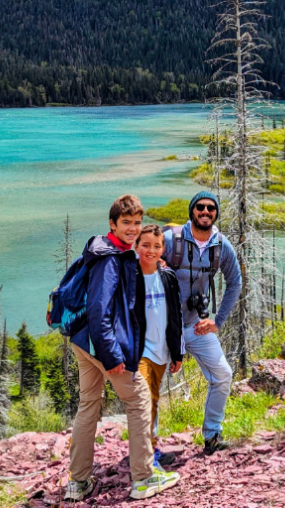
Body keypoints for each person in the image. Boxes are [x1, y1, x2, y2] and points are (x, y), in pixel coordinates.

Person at [64, 195, 181, 502]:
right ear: (112, 224)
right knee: (139, 399)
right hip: (101, 344)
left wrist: (153, 263)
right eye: (126, 223)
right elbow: (101, 309)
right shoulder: (110, 260)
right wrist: (112, 355)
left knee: (89, 404)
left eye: (137, 223)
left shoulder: (108, 250)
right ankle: (143, 478)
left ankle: (78, 482)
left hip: (82, 341)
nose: (133, 229)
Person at [163, 190, 242, 455]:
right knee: (149, 385)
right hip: (164, 329)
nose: (205, 212)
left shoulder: (221, 245)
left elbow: (235, 282)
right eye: (200, 207)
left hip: (197, 324)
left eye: (211, 208)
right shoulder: (169, 240)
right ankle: (147, 451)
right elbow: (140, 267)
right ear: (191, 210)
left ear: (216, 213)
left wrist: (217, 322)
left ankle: (212, 436)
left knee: (222, 374)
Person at [133, 223, 183, 470]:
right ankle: (145, 458)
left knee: (152, 399)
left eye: (156, 246)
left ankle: (150, 447)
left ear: (163, 248)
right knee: (144, 401)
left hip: (162, 351)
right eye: (145, 245)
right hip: (140, 351)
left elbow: (175, 316)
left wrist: (177, 352)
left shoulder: (167, 276)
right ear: (136, 247)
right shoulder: (130, 277)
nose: (151, 251)